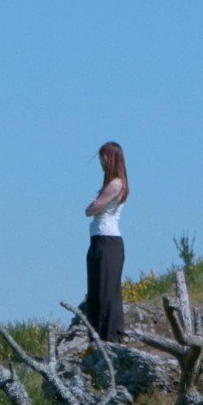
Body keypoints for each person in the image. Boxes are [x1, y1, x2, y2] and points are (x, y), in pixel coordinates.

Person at [82, 141, 128, 341]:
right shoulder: (112, 184)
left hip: (107, 241)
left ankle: (109, 337)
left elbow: (91, 210)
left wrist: (94, 204)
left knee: (106, 290)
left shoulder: (116, 184)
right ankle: (98, 335)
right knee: (97, 288)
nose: (101, 161)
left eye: (104, 157)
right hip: (100, 240)